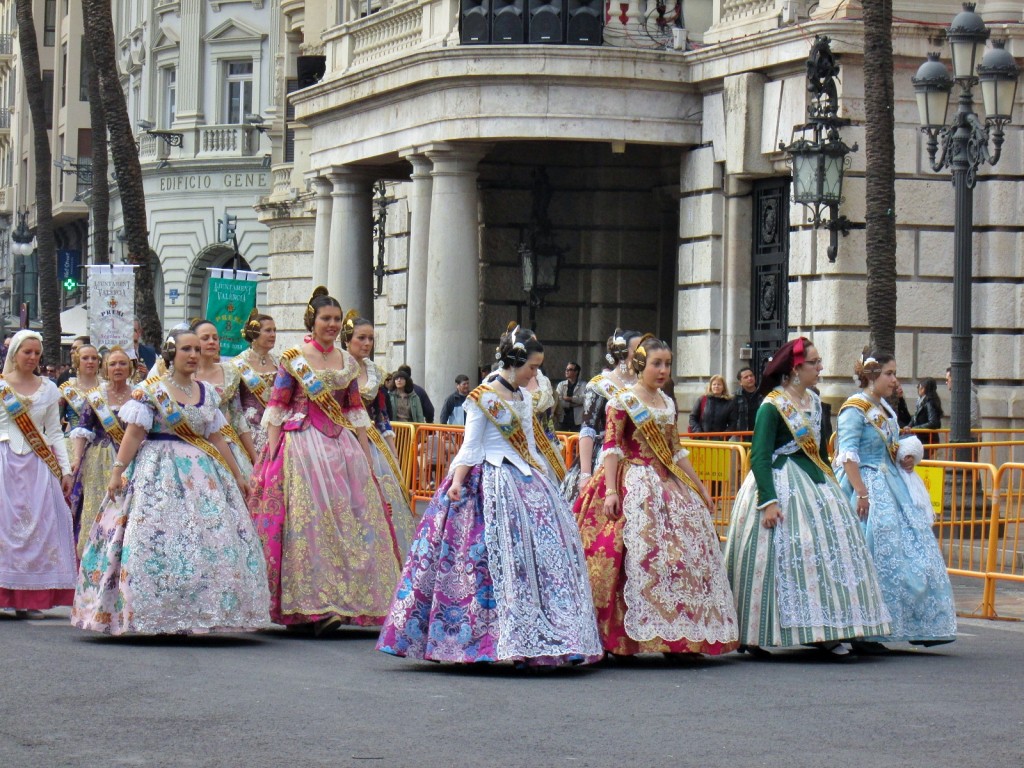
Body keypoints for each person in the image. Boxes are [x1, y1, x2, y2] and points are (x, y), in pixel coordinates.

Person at [377, 323, 602, 666]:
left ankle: (541, 634)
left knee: (533, 559)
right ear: (515, 362)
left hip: (521, 478)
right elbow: (471, 445)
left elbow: (528, 445)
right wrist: (456, 482)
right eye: (532, 367)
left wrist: (543, 478)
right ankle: (478, 640)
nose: (535, 374)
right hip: (485, 478)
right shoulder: (481, 397)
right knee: (478, 562)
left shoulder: (524, 397)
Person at [72, 328, 268, 635]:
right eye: (186, 349)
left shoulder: (207, 393)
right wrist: (117, 470)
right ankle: (151, 610)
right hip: (156, 472)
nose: (193, 355)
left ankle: (198, 612)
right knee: (156, 539)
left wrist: (238, 475)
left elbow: (217, 437)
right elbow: (134, 434)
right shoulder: (151, 392)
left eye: (196, 349)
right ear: (171, 355)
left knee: (205, 541)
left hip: (203, 475)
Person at [723, 337, 891, 659]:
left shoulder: (814, 402)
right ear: (795, 369)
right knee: (778, 557)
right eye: (814, 362)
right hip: (779, 483)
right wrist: (768, 500)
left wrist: (834, 488)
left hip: (814, 484)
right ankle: (754, 632)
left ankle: (825, 630)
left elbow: (820, 454)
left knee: (825, 556)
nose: (820, 367)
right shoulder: (772, 406)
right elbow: (759, 457)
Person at [574, 335, 739, 659]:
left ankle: (679, 635)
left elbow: (676, 451)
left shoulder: (666, 402)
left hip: (667, 483)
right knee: (631, 555)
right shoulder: (622, 401)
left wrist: (700, 486)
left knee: (680, 556)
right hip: (631, 479)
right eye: (656, 364)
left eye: (667, 364)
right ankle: (621, 637)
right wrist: (609, 491)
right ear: (640, 365)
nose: (663, 370)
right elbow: (611, 447)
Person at [248, 287, 401, 635]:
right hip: (301, 445)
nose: (331, 325)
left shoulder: (347, 362)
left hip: (340, 447)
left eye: (335, 319)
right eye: (325, 319)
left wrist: (364, 454)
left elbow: (354, 410)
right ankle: (307, 607)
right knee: (309, 525)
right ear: (312, 322)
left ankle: (342, 601)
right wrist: (272, 452)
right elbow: (277, 405)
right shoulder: (294, 358)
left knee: (349, 522)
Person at [835, 352, 957, 650]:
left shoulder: (883, 408)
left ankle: (902, 624)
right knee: (874, 553)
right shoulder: (855, 409)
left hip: (891, 483)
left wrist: (904, 455)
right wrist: (861, 492)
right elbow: (847, 454)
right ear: (871, 376)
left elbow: (888, 444)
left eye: (894, 373)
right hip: (866, 486)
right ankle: (866, 628)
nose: (894, 380)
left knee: (911, 556)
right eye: (889, 374)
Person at [0, 330, 76, 617]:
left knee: (37, 530)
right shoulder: (2, 387)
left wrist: (65, 470)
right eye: (27, 352)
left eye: (36, 354)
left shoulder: (49, 389)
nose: (32, 358)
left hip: (38, 465)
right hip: (4, 461)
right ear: (15, 354)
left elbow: (55, 432)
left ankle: (29, 598)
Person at [343, 312, 415, 557]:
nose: (366, 344)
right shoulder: (338, 366)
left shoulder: (376, 372)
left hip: (373, 443)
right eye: (361, 338)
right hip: (342, 441)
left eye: (371, 339)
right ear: (347, 339)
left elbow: (382, 416)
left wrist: (393, 455)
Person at [559, 330, 640, 507]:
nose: (643, 353)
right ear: (623, 353)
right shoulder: (599, 385)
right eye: (638, 349)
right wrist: (586, 474)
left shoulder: (644, 385)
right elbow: (588, 429)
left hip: (637, 458)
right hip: (604, 455)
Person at [68, 347, 135, 559]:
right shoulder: (95, 396)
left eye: (122, 363)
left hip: (131, 459)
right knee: (98, 505)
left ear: (130, 368)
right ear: (105, 368)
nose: (118, 368)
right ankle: (94, 554)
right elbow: (83, 429)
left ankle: (124, 552)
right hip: (99, 457)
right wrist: (77, 458)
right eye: (113, 364)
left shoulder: (139, 394)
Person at [192, 319, 258, 478]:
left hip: (226, 443)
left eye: (215, 338)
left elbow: (237, 417)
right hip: (193, 443)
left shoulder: (230, 372)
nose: (211, 342)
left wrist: (255, 458)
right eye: (205, 338)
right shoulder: (183, 373)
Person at [229, 308, 279, 456]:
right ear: (254, 334)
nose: (273, 335)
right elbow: (234, 408)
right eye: (268, 331)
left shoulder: (279, 362)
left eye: (275, 330)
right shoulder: (237, 364)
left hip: (276, 428)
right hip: (249, 431)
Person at [59, 344, 101, 439]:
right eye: (85, 358)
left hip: (101, 446)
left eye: (94, 358)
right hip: (73, 444)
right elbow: (55, 423)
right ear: (77, 361)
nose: (90, 361)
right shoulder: (66, 389)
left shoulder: (106, 387)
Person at [731, 367, 763, 432]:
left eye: (751, 376)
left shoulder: (763, 394)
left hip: (761, 432)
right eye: (746, 377)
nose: (750, 378)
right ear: (740, 382)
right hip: (743, 435)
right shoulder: (735, 397)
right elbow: (732, 418)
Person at [555, 361, 584, 432]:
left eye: (570, 369)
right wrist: (572, 404)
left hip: (577, 419)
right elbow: (558, 400)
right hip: (563, 418)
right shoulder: (561, 385)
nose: (566, 371)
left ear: (576, 372)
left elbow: (584, 399)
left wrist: (569, 398)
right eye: (566, 369)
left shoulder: (583, 385)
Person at [912, 377, 943, 442]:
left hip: (927, 439)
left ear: (923, 389)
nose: (918, 389)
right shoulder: (921, 401)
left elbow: (933, 422)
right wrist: (909, 426)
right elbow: (915, 417)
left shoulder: (929, 402)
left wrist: (915, 428)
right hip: (922, 438)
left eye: (918, 386)